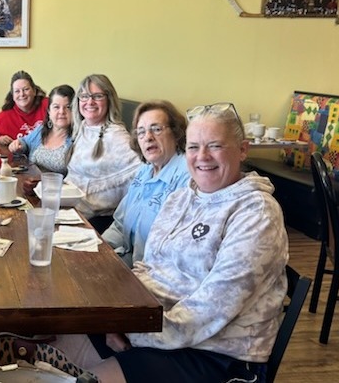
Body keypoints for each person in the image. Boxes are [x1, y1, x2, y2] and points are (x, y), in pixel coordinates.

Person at [54, 102, 289, 383]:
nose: (202, 157)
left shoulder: (256, 213)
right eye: (193, 147)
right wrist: (117, 316)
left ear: (242, 149)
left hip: (216, 354)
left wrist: (134, 331)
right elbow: (148, 267)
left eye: (214, 146)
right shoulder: (182, 197)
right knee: (56, 339)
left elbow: (213, 308)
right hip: (154, 328)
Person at [101, 100, 191, 267]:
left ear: (176, 133)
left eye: (156, 129)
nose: (148, 137)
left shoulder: (187, 176)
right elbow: (120, 224)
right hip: (127, 262)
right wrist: (99, 250)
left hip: (153, 275)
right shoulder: (145, 170)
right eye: (141, 132)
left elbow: (176, 249)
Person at [65, 74, 141, 232]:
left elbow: (142, 174)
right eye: (84, 96)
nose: (89, 102)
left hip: (98, 220)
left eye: (97, 96)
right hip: (71, 209)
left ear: (109, 100)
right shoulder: (83, 128)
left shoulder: (117, 136)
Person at [8, 84, 74, 175]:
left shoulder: (78, 138)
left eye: (68, 107)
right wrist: (18, 144)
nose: (62, 112)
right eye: (56, 107)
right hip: (32, 185)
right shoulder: (42, 129)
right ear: (49, 112)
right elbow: (25, 141)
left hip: (60, 187)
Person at [0, 70, 48, 145]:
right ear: (13, 95)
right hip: (20, 156)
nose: (22, 94)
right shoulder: (6, 115)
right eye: (17, 91)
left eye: (26, 89)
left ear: (34, 91)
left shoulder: (48, 105)